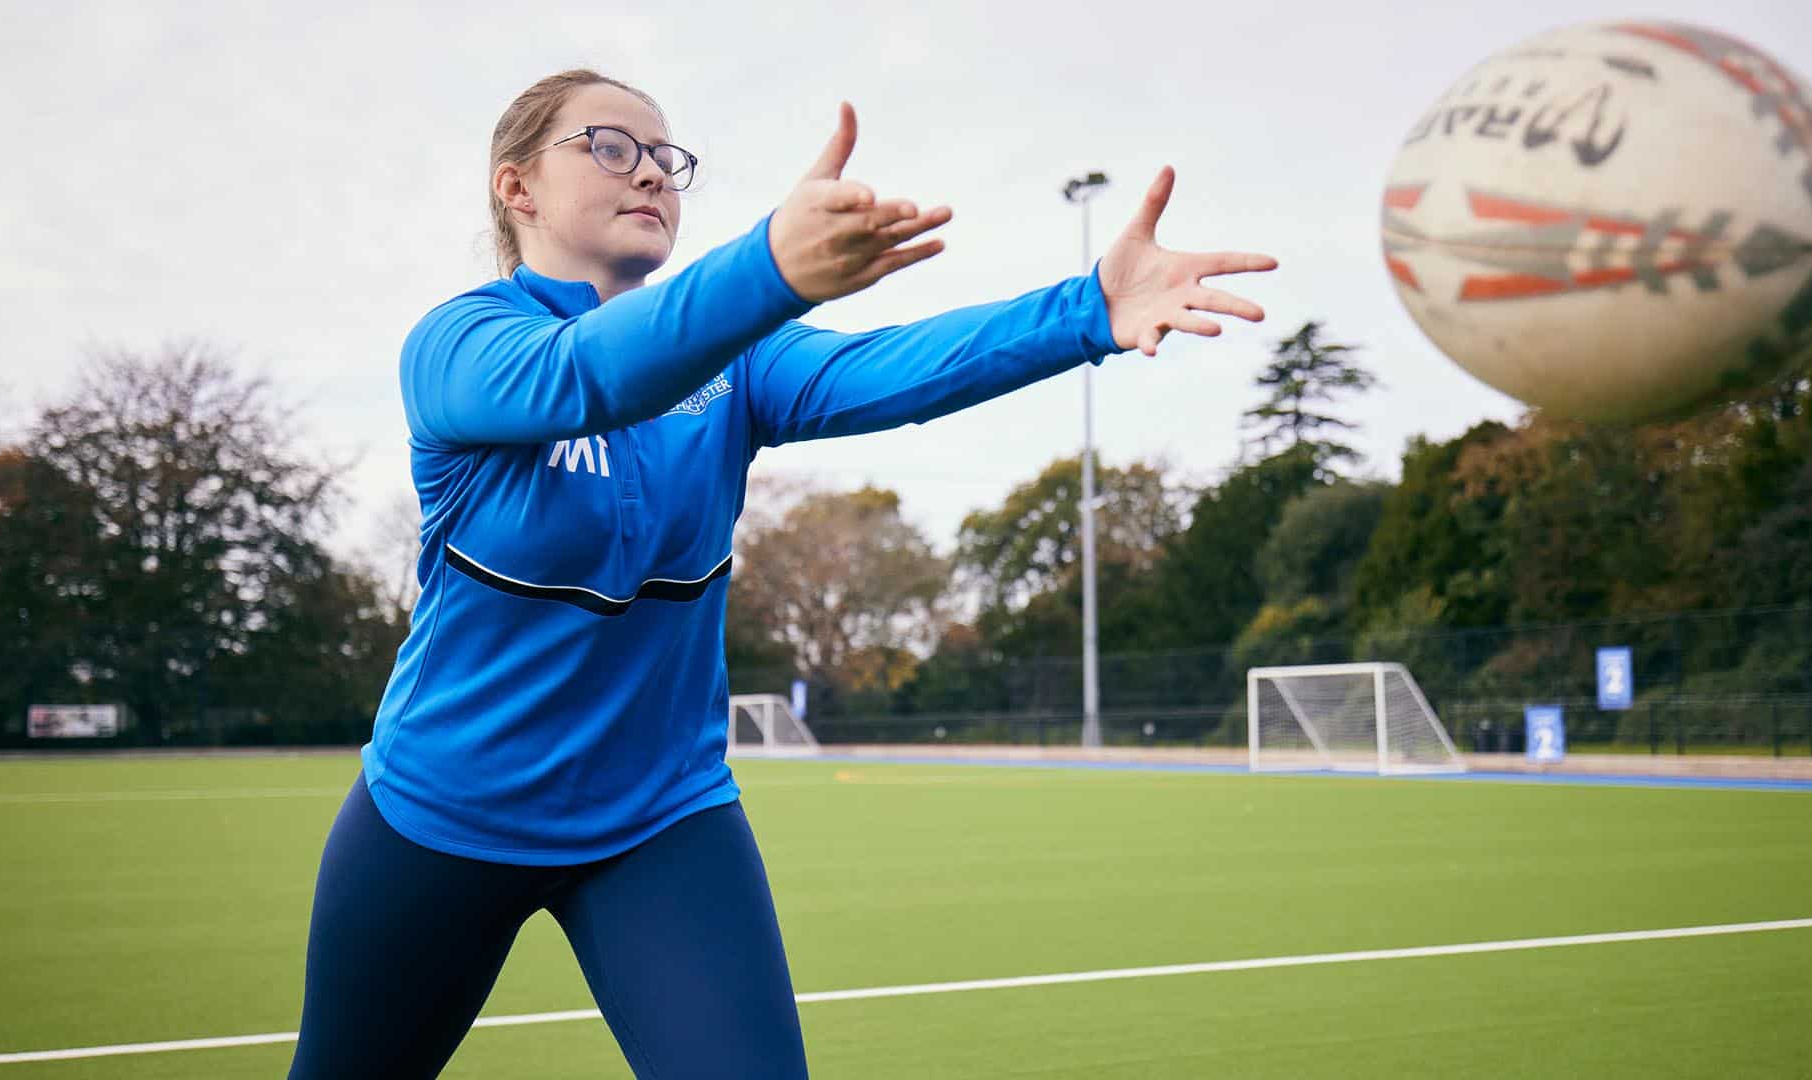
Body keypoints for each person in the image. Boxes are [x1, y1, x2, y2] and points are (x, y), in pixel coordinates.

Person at [287, 68, 1276, 1079]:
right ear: (517, 188)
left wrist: (1088, 309)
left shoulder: (736, 363)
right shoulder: (458, 345)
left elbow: (890, 371)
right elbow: (586, 377)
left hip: (659, 820)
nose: (654, 176)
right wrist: (769, 265)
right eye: (612, 147)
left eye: (669, 159)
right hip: (443, 813)